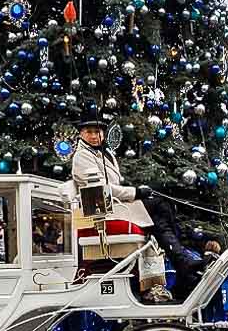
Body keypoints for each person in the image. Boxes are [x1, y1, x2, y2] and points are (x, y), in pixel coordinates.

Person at [71, 117, 201, 299]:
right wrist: (135, 193)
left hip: (113, 205)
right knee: (158, 205)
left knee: (159, 211)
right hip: (100, 209)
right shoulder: (82, 156)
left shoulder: (103, 154)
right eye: (89, 132)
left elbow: (113, 184)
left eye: (97, 132)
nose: (94, 136)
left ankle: (182, 263)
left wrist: (136, 192)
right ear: (81, 134)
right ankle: (182, 261)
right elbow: (100, 189)